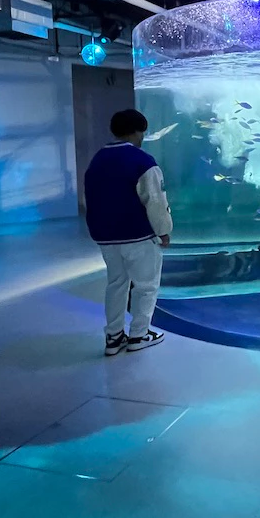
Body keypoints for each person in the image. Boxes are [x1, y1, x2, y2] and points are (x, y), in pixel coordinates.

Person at [84, 109, 173, 356]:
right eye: (142, 132)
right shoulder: (143, 161)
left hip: (105, 236)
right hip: (138, 235)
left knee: (116, 283)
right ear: (137, 131)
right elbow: (155, 201)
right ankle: (139, 335)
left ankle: (113, 337)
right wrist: (164, 231)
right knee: (146, 285)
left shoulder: (98, 159)